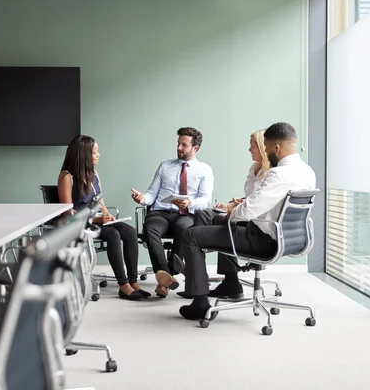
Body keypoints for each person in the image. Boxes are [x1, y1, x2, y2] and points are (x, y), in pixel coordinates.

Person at [177, 122, 316, 320]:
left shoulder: (279, 174)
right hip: (291, 238)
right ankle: (227, 283)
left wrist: (229, 215)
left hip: (262, 240)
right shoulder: (307, 171)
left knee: (191, 235)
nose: (266, 153)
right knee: (218, 222)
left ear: (276, 148)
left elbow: (250, 209)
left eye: (266, 148)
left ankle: (200, 303)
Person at [176, 128, 271, 299]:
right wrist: (231, 204)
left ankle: (195, 271)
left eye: (252, 146)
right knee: (204, 214)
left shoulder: (272, 174)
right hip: (245, 214)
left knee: (221, 223)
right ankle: (209, 271)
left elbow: (261, 205)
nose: (249, 149)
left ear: (263, 148)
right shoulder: (254, 168)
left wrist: (233, 210)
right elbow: (251, 198)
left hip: (253, 223)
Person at [58, 135, 149, 301]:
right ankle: (124, 286)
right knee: (113, 235)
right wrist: (98, 220)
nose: (98, 155)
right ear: (84, 155)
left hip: (96, 221)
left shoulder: (94, 174)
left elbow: (100, 200)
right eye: (95, 152)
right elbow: (68, 212)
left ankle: (133, 281)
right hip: (79, 225)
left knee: (129, 232)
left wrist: (106, 214)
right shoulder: (67, 177)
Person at [131, 127, 214, 297]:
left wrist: (189, 202)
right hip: (160, 213)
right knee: (150, 228)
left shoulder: (205, 170)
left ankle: (168, 276)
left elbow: (206, 199)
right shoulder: (165, 166)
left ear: (195, 148)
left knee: (185, 230)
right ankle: (165, 275)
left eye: (184, 145)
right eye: (178, 144)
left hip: (185, 213)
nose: (179, 148)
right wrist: (143, 199)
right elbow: (152, 193)